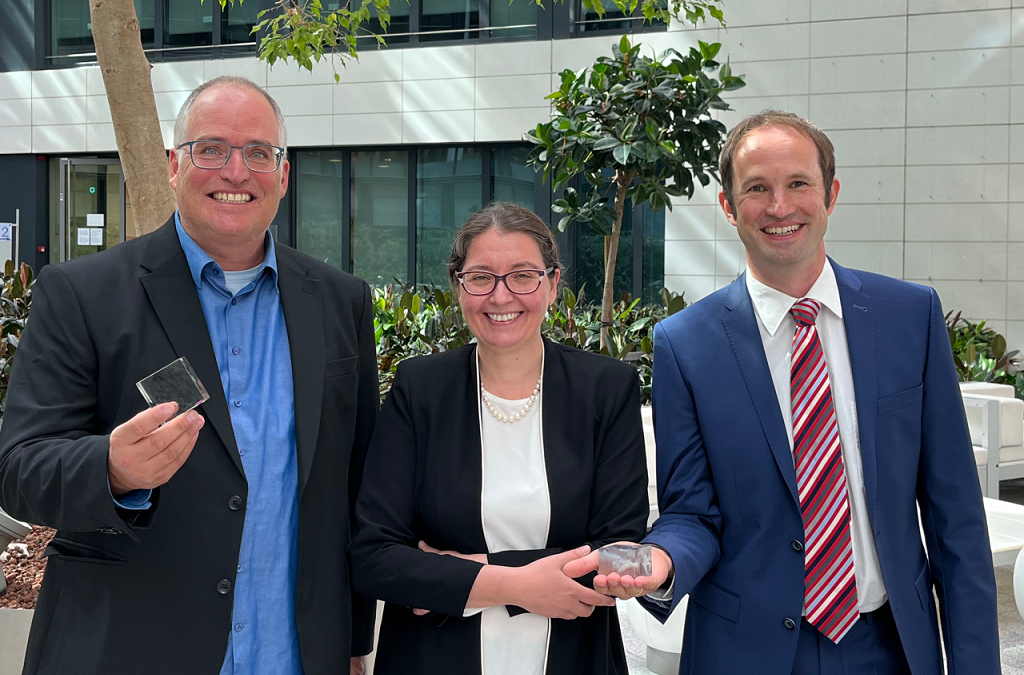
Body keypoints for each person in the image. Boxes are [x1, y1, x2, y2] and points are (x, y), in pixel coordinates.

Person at [565, 111, 1000, 674]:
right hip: (743, 653)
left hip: (888, 648)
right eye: (756, 189)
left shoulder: (910, 317)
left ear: (830, 194)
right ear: (727, 205)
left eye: (798, 183)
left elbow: (955, 519)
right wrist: (661, 559)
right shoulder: (685, 343)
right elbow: (691, 510)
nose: (779, 207)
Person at [0, 76, 377, 675]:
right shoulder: (81, 295)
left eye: (259, 152)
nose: (236, 171)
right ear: (175, 166)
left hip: (293, 652)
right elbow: (19, 469)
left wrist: (354, 643)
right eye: (212, 150)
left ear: (283, 174)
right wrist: (113, 469)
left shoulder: (341, 302)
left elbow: (351, 486)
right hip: (131, 648)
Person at [350, 202, 649, 675]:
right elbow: (373, 557)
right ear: (459, 286)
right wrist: (516, 584)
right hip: (433, 659)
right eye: (481, 276)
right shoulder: (420, 389)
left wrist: (472, 568)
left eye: (523, 275)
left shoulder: (606, 389)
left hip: (572, 656)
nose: (501, 295)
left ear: (552, 284)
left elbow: (623, 554)